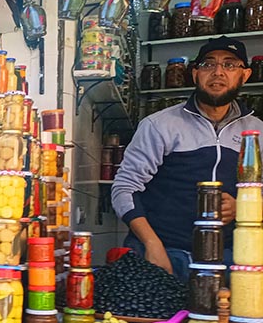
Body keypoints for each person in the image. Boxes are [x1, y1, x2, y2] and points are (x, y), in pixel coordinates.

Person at [112, 36, 263, 280]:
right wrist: (152, 244)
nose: (218, 72)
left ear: (244, 75)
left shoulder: (256, 132)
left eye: (229, 65)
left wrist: (242, 207)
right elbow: (124, 189)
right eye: (208, 64)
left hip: (225, 261)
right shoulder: (160, 125)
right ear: (195, 74)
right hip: (163, 255)